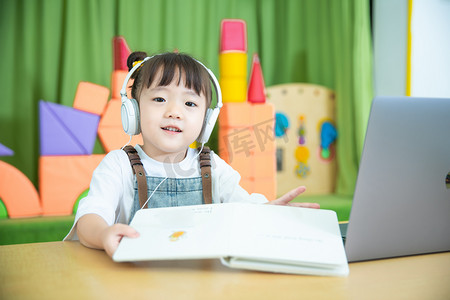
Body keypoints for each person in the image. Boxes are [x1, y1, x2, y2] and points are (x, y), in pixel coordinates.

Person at [65, 51, 319, 257]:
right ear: (133, 110)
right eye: (160, 99)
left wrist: (268, 211)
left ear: (206, 120)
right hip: (136, 280)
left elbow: (245, 205)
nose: (175, 112)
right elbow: (90, 218)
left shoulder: (212, 167)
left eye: (190, 103)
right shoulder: (118, 165)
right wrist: (103, 234)